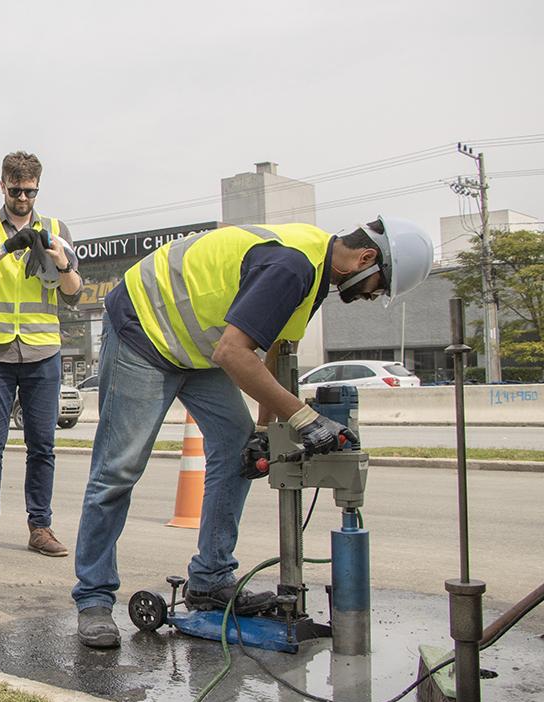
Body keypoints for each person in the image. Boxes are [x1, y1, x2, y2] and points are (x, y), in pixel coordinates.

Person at [72, 217, 434, 649]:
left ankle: (210, 579)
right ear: (367, 258)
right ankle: (94, 597)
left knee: (238, 449)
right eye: (379, 285)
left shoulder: (314, 273)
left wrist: (264, 430)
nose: (373, 295)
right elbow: (234, 352)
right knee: (119, 468)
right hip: (144, 330)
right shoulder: (293, 266)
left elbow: (277, 351)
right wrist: (306, 420)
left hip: (197, 348)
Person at [0, 151, 82, 562]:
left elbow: (74, 290)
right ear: (2, 185)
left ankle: (39, 527)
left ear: (37, 188)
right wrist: (7, 247)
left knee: (42, 445)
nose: (22, 198)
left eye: (29, 191)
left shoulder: (56, 228)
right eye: (15, 189)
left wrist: (60, 260)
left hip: (43, 352)